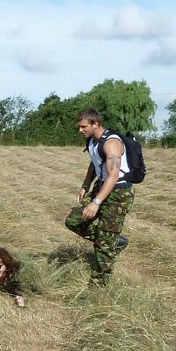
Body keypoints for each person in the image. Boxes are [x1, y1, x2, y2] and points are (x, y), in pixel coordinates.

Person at [64, 108, 133, 286]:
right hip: (100, 186)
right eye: (79, 127)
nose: (80, 130)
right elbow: (95, 162)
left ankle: (98, 285)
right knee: (74, 220)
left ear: (95, 123)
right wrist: (86, 185)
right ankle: (113, 241)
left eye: (83, 126)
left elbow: (114, 174)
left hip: (118, 192)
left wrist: (96, 202)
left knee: (104, 243)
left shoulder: (112, 143)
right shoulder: (93, 141)